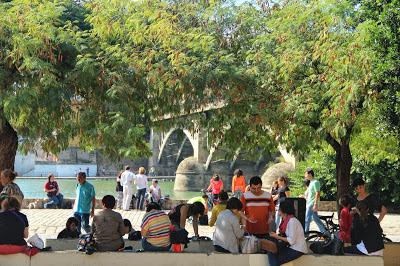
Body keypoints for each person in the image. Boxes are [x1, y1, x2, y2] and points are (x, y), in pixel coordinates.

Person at [260, 200, 308, 266]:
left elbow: (291, 241)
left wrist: (277, 237)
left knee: (274, 258)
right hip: (291, 246)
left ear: (283, 211)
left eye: (279, 209)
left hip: (297, 249)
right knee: (271, 250)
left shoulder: (292, 221)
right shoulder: (286, 220)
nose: (278, 210)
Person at [304, 168, 327, 235]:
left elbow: (318, 193)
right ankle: (325, 233)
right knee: (316, 219)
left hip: (312, 203)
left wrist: (315, 204)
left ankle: (306, 233)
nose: (305, 175)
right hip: (309, 203)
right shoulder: (311, 182)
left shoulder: (316, 182)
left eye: (305, 173)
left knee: (307, 219)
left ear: (309, 174)